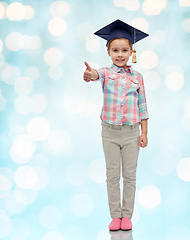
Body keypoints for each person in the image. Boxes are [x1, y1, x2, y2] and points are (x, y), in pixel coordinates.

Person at [83, 19, 149, 231]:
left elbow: (143, 107)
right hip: (110, 132)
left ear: (131, 51)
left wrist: (144, 133)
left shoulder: (138, 77)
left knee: (130, 175)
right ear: (108, 51)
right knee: (112, 174)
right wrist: (88, 74)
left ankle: (127, 216)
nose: (119, 54)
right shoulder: (105, 73)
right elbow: (93, 75)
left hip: (131, 133)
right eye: (115, 50)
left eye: (124, 50)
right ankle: (115, 216)